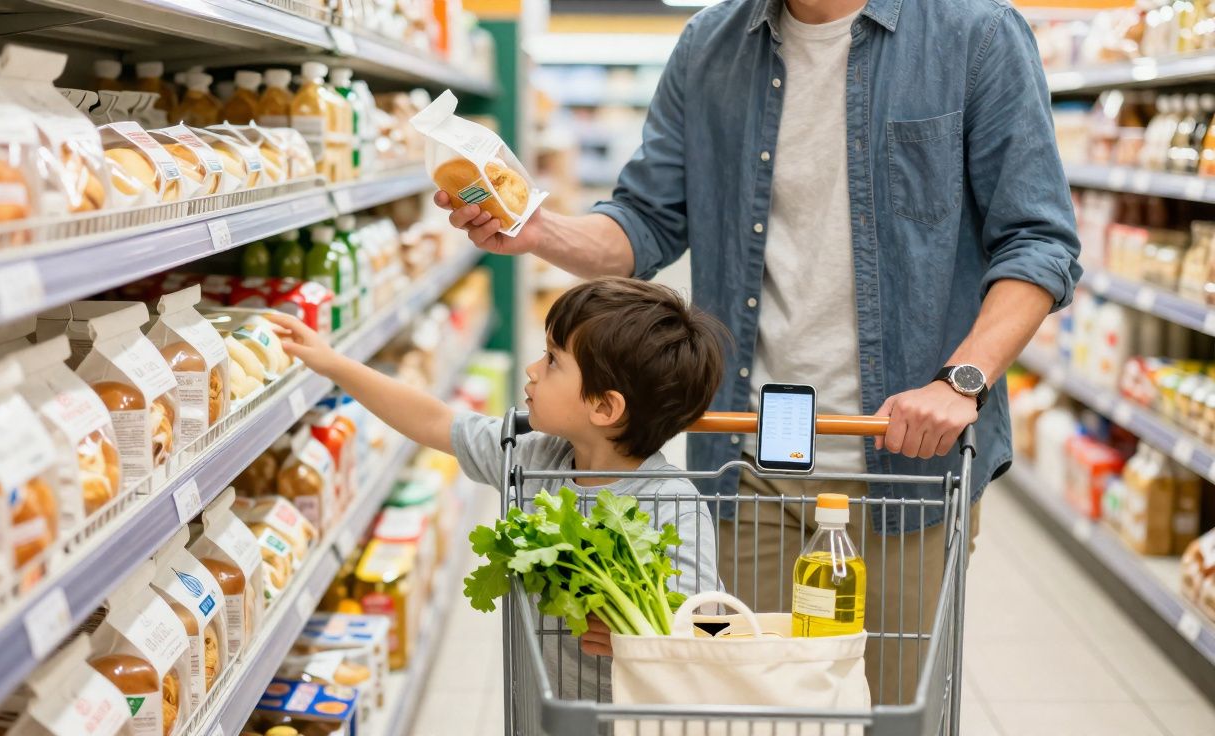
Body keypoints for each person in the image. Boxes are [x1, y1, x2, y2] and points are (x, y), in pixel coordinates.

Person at [436, 0, 1081, 704]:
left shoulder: (974, 35)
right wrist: (537, 232)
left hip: (906, 467)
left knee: (896, 708)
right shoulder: (711, 45)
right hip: (747, 466)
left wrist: (961, 381)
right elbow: (644, 221)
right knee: (742, 705)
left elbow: (1038, 239)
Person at [265, 277, 724, 696]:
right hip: (546, 710)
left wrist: (648, 637)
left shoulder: (672, 505)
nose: (531, 369)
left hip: (636, 718)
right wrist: (332, 363)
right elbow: (433, 420)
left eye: (552, 360)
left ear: (604, 407)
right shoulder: (535, 457)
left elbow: (715, 629)